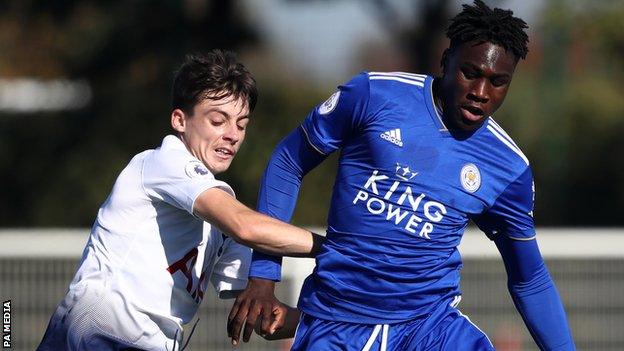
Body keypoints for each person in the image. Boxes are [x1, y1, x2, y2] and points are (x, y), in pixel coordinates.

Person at [228, 1, 576, 350]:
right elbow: (289, 161)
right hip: (336, 324)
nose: (481, 93)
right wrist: (263, 276)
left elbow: (529, 279)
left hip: (431, 330)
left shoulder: (508, 167)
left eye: (498, 82)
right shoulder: (373, 95)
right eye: (470, 73)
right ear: (446, 60)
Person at [37, 50, 321, 351]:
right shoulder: (164, 162)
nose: (232, 135)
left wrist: (339, 323)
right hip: (101, 329)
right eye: (218, 120)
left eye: (241, 124)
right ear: (179, 120)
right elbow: (247, 227)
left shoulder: (219, 217)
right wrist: (342, 247)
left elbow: (262, 316)